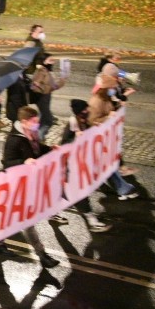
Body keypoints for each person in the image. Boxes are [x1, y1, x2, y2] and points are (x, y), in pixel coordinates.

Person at [0, 106, 60, 268]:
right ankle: (42, 255)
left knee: (9, 218)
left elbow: (36, 150)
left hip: (28, 184)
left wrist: (50, 150)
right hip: (16, 187)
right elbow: (6, 164)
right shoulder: (14, 139)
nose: (37, 123)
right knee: (26, 222)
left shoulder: (30, 134)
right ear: (24, 122)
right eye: (34, 121)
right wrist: (23, 162)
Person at [58, 99, 111, 233]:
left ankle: (51, 210)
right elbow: (64, 145)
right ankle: (92, 221)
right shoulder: (72, 125)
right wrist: (76, 139)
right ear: (78, 113)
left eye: (87, 109)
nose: (87, 112)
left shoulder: (84, 122)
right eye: (84, 110)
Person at [88, 75, 139, 200]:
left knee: (105, 164)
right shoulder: (97, 101)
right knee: (107, 164)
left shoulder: (107, 98)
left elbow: (112, 110)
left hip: (105, 137)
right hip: (97, 139)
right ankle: (123, 188)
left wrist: (120, 104)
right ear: (106, 88)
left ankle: (119, 187)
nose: (114, 89)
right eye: (112, 87)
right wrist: (108, 117)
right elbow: (91, 120)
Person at [29, 52, 66, 141]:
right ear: (44, 62)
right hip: (41, 98)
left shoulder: (48, 71)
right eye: (50, 60)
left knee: (42, 118)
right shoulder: (41, 71)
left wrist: (62, 80)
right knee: (48, 120)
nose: (53, 61)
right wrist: (45, 88)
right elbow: (34, 86)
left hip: (46, 97)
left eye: (53, 59)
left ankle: (34, 134)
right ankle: (39, 137)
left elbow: (53, 86)